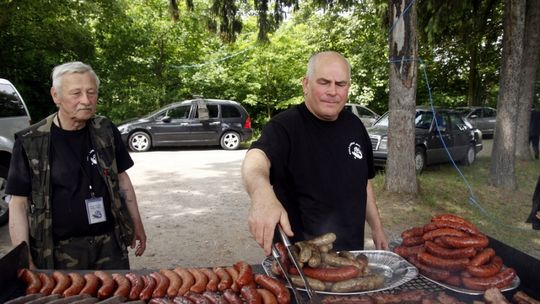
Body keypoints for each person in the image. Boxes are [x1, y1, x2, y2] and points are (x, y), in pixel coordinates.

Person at [241, 51, 388, 256]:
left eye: (340, 84)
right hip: (302, 262)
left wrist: (377, 227)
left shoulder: (355, 126)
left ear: (348, 88)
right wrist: (261, 195)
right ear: (306, 84)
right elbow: (256, 159)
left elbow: (363, 182)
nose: (332, 91)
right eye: (324, 82)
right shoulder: (284, 127)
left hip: (350, 256)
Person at [6, 61, 146, 269]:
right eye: (76, 93)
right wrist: (23, 254)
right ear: (56, 96)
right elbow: (18, 204)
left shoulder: (105, 130)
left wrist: (137, 223)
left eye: (91, 92)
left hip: (110, 244)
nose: (86, 100)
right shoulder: (30, 141)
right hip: (58, 251)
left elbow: (122, 179)